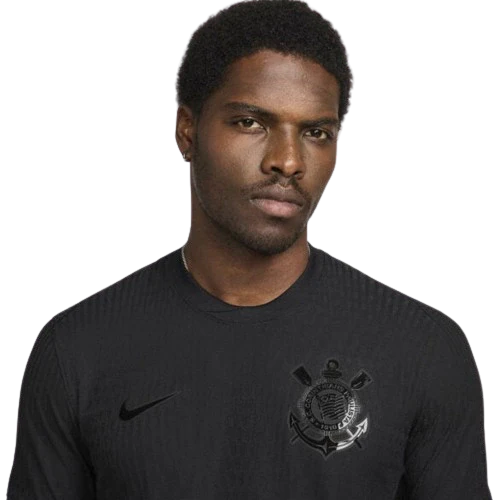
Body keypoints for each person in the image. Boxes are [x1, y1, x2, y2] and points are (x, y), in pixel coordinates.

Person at [7, 0, 491, 498]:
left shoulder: (423, 352)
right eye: (250, 123)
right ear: (187, 130)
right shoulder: (79, 353)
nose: (288, 161)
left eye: (315, 132)